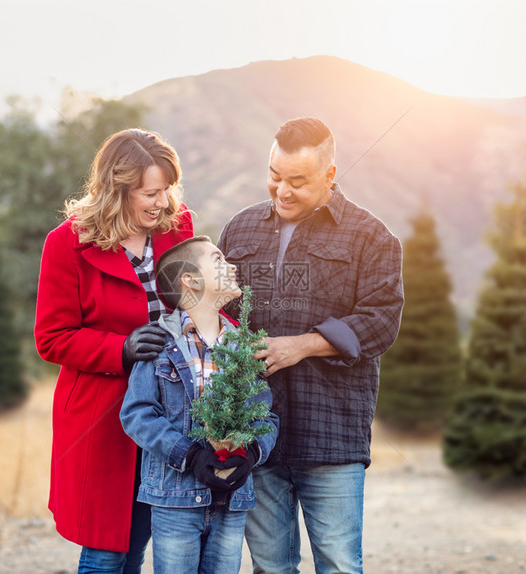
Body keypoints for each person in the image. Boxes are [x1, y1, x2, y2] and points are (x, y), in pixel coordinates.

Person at [217, 117, 404, 574]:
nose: (282, 190)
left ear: (330, 175)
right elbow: (215, 314)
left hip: (332, 432)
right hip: (256, 432)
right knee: (270, 567)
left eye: (297, 181)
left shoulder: (371, 237)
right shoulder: (238, 231)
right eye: (275, 176)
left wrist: (303, 345)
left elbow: (381, 322)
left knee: (339, 565)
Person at [34, 128, 194, 574]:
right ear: (116, 190)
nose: (162, 203)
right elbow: (52, 337)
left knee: (138, 542)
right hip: (99, 419)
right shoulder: (66, 243)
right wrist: (120, 348)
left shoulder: (178, 228)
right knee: (106, 552)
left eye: (167, 190)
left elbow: (194, 304)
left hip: (164, 414)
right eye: (150, 193)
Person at [120, 236, 279, 574]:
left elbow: (266, 415)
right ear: (190, 280)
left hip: (232, 501)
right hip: (174, 499)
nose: (231, 265)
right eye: (218, 260)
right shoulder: (160, 342)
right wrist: (189, 455)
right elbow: (137, 414)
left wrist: (251, 453)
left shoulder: (242, 346)